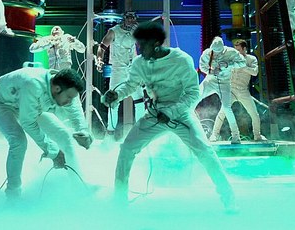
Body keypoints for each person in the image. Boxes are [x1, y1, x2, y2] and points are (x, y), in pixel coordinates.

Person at [102, 22, 237, 212]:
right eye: (138, 45)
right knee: (127, 149)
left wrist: (171, 112)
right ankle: (119, 200)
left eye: (143, 45)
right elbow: (131, 85)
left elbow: (192, 94)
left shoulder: (181, 60)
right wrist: (115, 95)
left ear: (157, 43)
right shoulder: (139, 62)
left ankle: (229, 199)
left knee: (205, 152)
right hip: (154, 115)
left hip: (181, 114)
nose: (139, 49)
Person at [0, 66, 93, 199]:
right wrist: (53, 152)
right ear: (57, 89)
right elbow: (28, 123)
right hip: (3, 105)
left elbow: (75, 110)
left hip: (31, 108)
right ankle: (12, 196)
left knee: (65, 136)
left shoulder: (67, 86)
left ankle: (78, 187)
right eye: (68, 97)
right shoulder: (33, 84)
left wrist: (83, 132)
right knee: (19, 142)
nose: (70, 101)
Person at [95, 11, 144, 135]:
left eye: (133, 18)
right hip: (118, 70)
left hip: (132, 70)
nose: (130, 20)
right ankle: (110, 132)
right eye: (128, 17)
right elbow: (102, 46)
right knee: (113, 101)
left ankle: (140, 132)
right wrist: (99, 59)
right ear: (124, 18)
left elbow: (143, 46)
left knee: (139, 101)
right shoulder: (114, 31)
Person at [210, 39, 266, 142]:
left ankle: (257, 135)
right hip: (231, 90)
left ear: (244, 49)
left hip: (243, 91)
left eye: (239, 50)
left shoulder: (251, 59)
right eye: (235, 50)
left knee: (254, 114)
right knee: (222, 113)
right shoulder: (232, 58)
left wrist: (242, 66)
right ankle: (214, 135)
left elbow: (254, 72)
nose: (237, 52)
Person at [197, 37, 247, 144]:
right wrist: (211, 71)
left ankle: (236, 136)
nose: (216, 54)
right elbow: (202, 67)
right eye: (215, 52)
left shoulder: (231, 52)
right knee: (195, 97)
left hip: (224, 83)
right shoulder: (207, 53)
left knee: (227, 108)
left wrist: (229, 65)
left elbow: (243, 62)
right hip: (210, 80)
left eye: (219, 52)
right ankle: (188, 129)